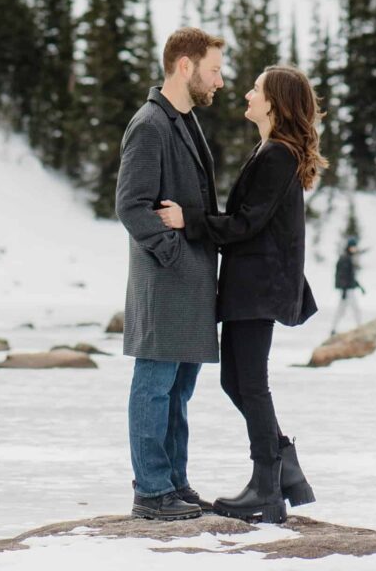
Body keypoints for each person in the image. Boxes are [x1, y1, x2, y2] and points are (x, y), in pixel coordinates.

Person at [158, 62, 323, 526]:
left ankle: (268, 487)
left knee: (248, 382)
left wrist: (187, 220)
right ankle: (279, 466)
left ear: (273, 102)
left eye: (255, 89)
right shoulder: (270, 150)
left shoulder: (277, 156)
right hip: (252, 286)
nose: (246, 94)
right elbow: (249, 219)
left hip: (259, 287)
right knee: (238, 381)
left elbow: (246, 223)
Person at [114, 27, 226, 521]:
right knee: (154, 385)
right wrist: (176, 255)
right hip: (165, 281)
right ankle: (151, 490)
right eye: (215, 69)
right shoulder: (151, 124)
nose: (220, 81)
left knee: (179, 390)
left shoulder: (182, 120)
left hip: (190, 282)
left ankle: (174, 483)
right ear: (186, 65)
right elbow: (131, 206)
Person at [330, 223, 363, 333]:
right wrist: (344, 289)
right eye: (353, 247)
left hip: (350, 288)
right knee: (349, 309)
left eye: (355, 247)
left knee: (345, 309)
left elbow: (351, 276)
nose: (354, 249)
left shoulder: (349, 258)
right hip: (347, 289)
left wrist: (359, 285)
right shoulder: (345, 259)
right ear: (349, 247)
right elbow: (341, 275)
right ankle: (358, 327)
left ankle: (334, 328)